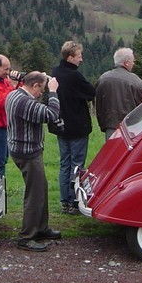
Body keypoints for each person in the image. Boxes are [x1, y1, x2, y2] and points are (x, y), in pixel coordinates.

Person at [6, 71, 62, 252]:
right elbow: (51, 114)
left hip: (22, 149)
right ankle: (27, 236)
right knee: (35, 195)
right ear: (35, 85)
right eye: (42, 89)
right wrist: (53, 92)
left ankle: (41, 228)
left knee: (41, 188)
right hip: (27, 153)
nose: (42, 94)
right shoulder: (24, 102)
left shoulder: (14, 94)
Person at [51, 41, 96, 215]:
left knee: (64, 163)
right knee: (77, 165)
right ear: (70, 58)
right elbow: (91, 92)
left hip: (61, 125)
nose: (81, 59)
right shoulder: (75, 76)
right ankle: (74, 200)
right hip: (77, 125)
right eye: (79, 56)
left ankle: (64, 201)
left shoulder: (55, 72)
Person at [95, 47, 142, 141]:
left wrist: (103, 123)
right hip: (131, 126)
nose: (134, 63)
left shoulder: (103, 79)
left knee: (113, 152)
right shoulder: (134, 80)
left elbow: (99, 104)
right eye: (133, 61)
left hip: (110, 125)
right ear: (126, 62)